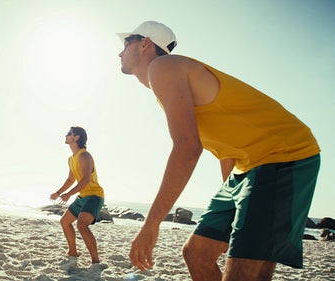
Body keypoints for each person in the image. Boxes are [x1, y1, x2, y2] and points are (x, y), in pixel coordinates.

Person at [116, 21, 321, 281]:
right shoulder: (167, 85)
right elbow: (226, 151)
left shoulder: (163, 66)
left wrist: (151, 224)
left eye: (126, 43)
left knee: (245, 274)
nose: (120, 52)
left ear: (145, 43)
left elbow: (188, 148)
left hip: (285, 154)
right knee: (196, 254)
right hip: (247, 168)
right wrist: (241, 213)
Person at [50, 126, 105, 265]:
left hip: (94, 196)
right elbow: (70, 179)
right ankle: (73, 252)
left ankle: (95, 262)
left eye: (69, 133)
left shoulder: (84, 156)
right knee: (64, 222)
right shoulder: (71, 159)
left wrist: (69, 194)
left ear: (77, 138)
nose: (66, 135)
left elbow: (85, 180)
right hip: (83, 196)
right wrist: (58, 193)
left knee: (82, 225)